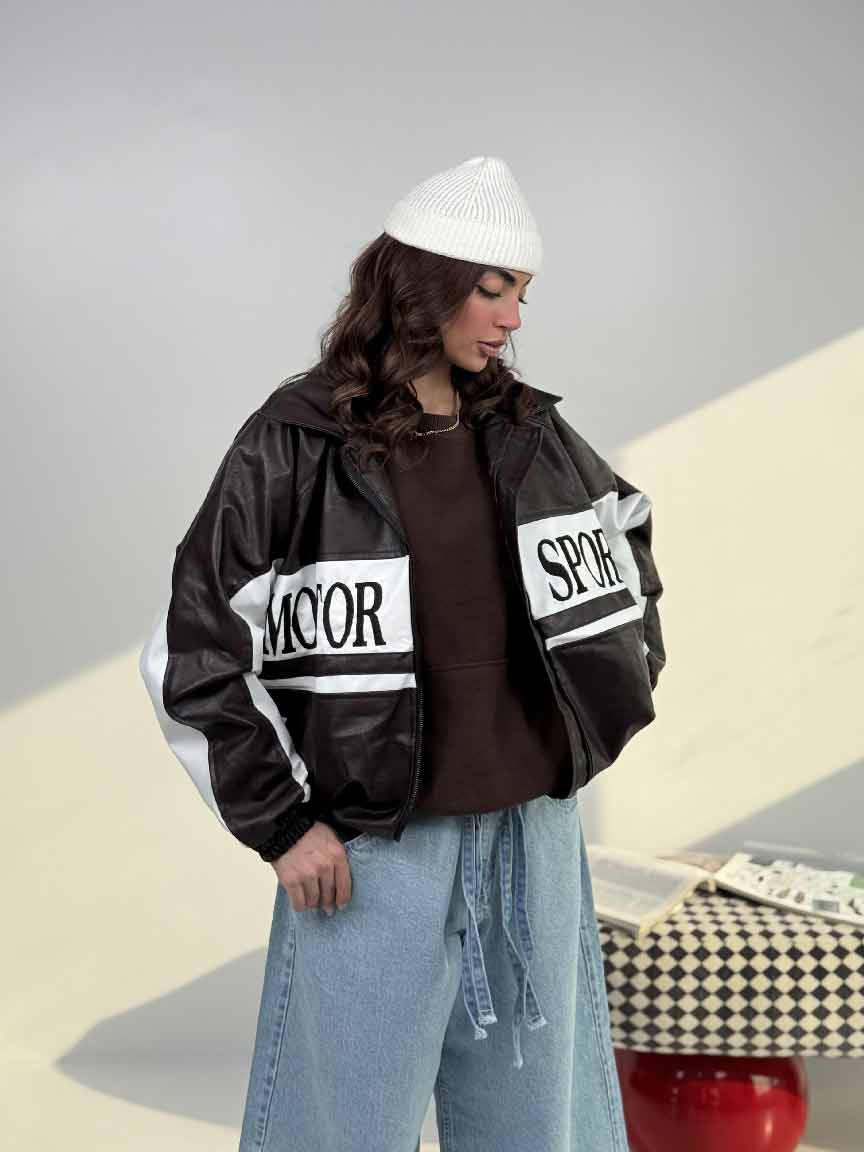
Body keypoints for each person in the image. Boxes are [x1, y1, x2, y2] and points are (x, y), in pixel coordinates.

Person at [139, 154, 666, 1152]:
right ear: (424, 284)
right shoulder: (298, 438)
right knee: (343, 1128)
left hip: (532, 835)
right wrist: (282, 825)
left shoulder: (525, 428)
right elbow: (191, 646)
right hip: (376, 846)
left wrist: (614, 691)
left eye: (523, 293)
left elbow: (624, 532)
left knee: (539, 1130)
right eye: (493, 289)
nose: (512, 318)